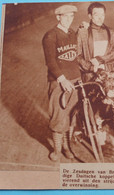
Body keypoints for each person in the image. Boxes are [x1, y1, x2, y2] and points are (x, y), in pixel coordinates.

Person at [42, 5, 80, 162]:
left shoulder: (72, 33)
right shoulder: (50, 36)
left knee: (71, 117)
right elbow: (50, 62)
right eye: (66, 16)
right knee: (59, 117)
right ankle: (57, 151)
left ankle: (66, 147)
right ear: (58, 17)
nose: (69, 20)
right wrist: (62, 79)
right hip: (59, 82)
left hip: (75, 80)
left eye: (71, 16)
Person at [77, 2, 114, 81]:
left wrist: (99, 60)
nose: (100, 18)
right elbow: (78, 56)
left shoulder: (111, 32)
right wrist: (91, 67)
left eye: (102, 15)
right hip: (89, 76)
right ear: (90, 16)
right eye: (96, 15)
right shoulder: (82, 32)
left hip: (109, 74)